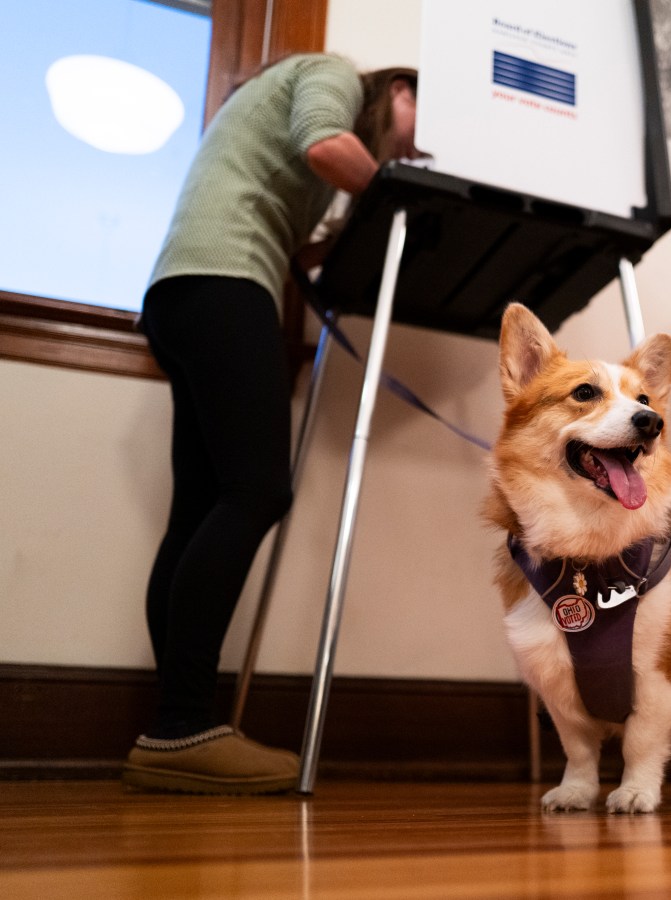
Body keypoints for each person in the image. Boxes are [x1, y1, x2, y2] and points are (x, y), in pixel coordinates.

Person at [122, 54, 419, 794]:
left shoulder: (299, 125)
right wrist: (403, 193)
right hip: (225, 281)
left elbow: (296, 236)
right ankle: (182, 725)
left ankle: (175, 725)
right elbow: (324, 141)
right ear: (401, 91)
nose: (411, 151)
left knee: (197, 513)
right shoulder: (334, 75)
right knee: (258, 491)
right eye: (417, 132)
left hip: (183, 291)